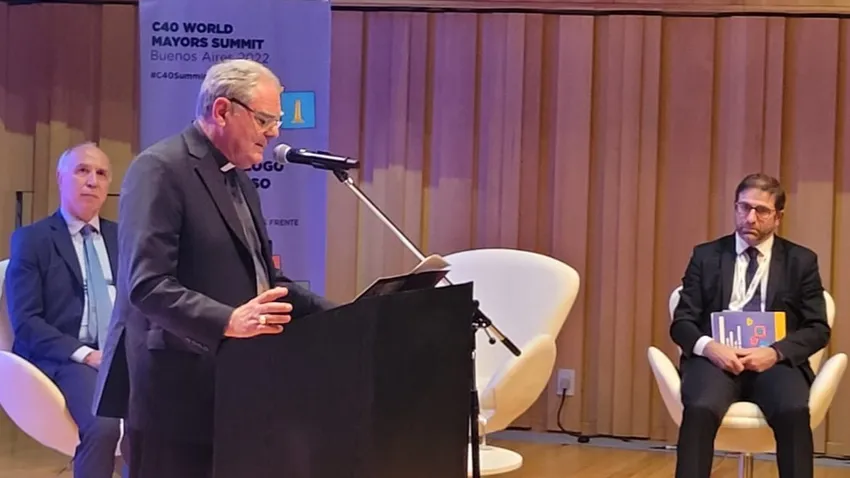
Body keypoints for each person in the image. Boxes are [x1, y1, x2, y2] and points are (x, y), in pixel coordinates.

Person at [92, 59, 335, 478]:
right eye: (264, 120)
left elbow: (265, 278)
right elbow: (146, 285)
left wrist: (340, 314)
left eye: (276, 122)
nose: (274, 133)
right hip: (173, 396)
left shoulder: (240, 181)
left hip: (234, 389)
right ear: (222, 111)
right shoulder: (160, 169)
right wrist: (228, 320)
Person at [670, 173, 831, 478]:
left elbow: (817, 328)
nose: (750, 218)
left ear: (778, 217)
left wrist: (775, 352)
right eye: (743, 207)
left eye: (761, 210)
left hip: (774, 362)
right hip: (716, 360)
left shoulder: (801, 261)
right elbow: (682, 323)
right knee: (700, 408)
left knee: (793, 411)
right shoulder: (706, 256)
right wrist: (710, 348)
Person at [5, 143, 125, 477]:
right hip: (68, 357)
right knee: (103, 426)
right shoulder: (32, 240)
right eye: (82, 170)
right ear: (60, 178)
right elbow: (27, 322)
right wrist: (87, 355)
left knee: (173, 414)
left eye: (101, 173)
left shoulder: (123, 237)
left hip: (123, 351)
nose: (92, 181)